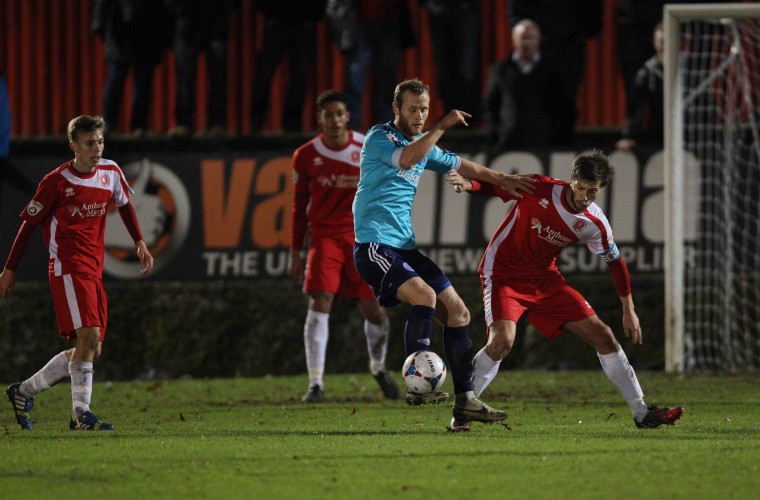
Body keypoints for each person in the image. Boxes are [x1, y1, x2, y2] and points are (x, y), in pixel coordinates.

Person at [446, 150, 685, 431]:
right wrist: (469, 185)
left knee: (604, 337)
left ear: (601, 188)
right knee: (502, 342)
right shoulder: (540, 187)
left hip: (546, 282)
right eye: (580, 187)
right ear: (571, 180)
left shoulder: (595, 223)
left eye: (592, 191)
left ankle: (641, 412)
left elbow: (616, 263)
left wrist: (628, 310)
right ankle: (462, 414)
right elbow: (498, 186)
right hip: (503, 275)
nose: (584, 196)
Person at [352, 79, 535, 431]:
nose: (419, 116)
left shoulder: (424, 144)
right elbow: (408, 159)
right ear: (396, 109)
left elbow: (463, 165)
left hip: (402, 247)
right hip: (373, 245)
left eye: (424, 109)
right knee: (423, 295)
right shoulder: (379, 137)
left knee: (458, 311)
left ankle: (466, 401)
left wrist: (503, 180)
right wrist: (441, 126)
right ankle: (417, 384)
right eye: (412, 109)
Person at [1, 115, 154, 431]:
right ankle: (80, 415)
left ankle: (24, 391)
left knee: (91, 348)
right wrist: (8, 270)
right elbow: (28, 226)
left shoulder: (110, 171)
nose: (96, 148)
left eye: (99, 141)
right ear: (74, 146)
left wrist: (139, 241)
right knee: (89, 337)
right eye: (89, 143)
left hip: (93, 269)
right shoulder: (56, 182)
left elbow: (123, 204)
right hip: (67, 267)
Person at [290, 90, 400, 402]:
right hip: (324, 237)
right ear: (320, 118)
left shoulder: (367, 146)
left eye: (340, 113)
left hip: (363, 237)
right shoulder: (306, 155)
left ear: (347, 116)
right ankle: (315, 384)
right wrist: (295, 251)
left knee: (374, 309)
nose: (335, 120)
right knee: (320, 301)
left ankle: (378, 367)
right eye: (328, 114)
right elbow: (299, 206)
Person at [509, 0, 604, 138]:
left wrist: (583, 31)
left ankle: (563, 142)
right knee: (530, 99)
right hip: (541, 45)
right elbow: (516, 11)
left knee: (566, 102)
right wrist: (532, 31)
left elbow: (593, 14)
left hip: (571, 46)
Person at [483, 19, 575, 153]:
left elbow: (564, 106)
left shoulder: (554, 70)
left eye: (530, 37)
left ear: (539, 39)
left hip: (545, 145)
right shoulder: (500, 70)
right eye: (523, 38)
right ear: (513, 40)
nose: (526, 42)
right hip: (507, 144)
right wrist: (496, 134)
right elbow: (491, 105)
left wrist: (558, 137)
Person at [326, 0, 416, 130]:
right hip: (358, 24)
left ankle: (389, 126)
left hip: (389, 22)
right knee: (355, 79)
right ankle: (351, 127)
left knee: (388, 79)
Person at [91, 0, 171, 137]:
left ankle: (138, 126)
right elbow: (103, 6)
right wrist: (100, 27)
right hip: (118, 35)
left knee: (142, 85)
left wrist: (163, 35)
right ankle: (109, 124)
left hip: (146, 35)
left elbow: (160, 8)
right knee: (116, 80)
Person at [250, 1, 326, 133]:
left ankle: (292, 124)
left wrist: (313, 14)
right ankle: (257, 121)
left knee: (300, 74)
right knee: (265, 72)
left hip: (303, 21)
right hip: (276, 21)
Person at [165, 0, 238, 138]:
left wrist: (225, 9)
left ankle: (217, 124)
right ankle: (184, 124)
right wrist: (181, 10)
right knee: (185, 77)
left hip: (216, 23)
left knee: (219, 77)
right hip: (187, 25)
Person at [422, 0, 482, 123]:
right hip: (438, 12)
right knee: (444, 66)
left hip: (466, 10)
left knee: (467, 66)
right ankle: (449, 113)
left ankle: (468, 115)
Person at [615, 21, 664, 152]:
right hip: (656, 132)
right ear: (655, 43)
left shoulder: (689, 70)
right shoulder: (647, 72)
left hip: (687, 133)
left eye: (668, 42)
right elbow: (636, 106)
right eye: (661, 42)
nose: (664, 48)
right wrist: (630, 136)